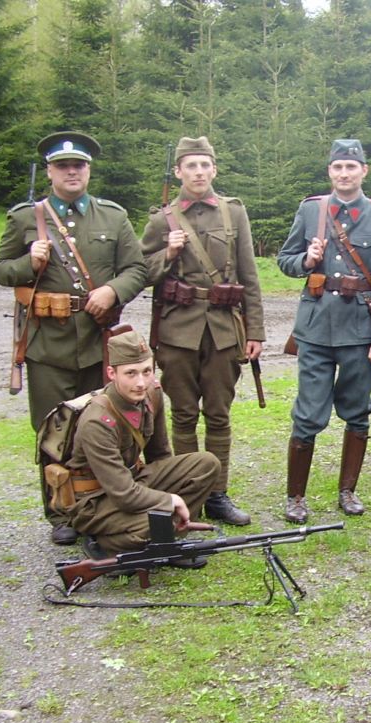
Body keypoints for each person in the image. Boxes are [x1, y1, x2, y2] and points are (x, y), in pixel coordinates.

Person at [0, 131, 146, 545]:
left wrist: (113, 291)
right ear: (49, 171)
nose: (71, 172)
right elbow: (0, 269)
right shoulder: (26, 218)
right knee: (52, 431)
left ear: (88, 170)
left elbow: (137, 268)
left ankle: (100, 508)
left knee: (102, 426)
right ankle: (60, 513)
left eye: (78, 165)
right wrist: (29, 262)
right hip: (48, 344)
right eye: (62, 166)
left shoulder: (113, 217)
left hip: (98, 342)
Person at [140, 136, 265, 527]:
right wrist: (168, 253)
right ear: (178, 171)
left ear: (214, 169)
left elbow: (249, 275)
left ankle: (217, 495)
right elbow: (141, 272)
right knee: (182, 415)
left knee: (219, 415)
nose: (198, 172)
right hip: (178, 331)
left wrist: (255, 332)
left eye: (204, 165)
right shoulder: (161, 220)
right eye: (190, 166)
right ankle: (187, 497)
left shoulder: (234, 212)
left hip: (224, 329)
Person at [276, 139, 371, 523]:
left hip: (361, 331)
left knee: (357, 411)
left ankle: (348, 491)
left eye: (351, 167)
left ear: (364, 171)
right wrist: (307, 259)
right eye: (338, 167)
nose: (344, 174)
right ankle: (295, 497)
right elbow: (285, 260)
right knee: (308, 413)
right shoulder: (311, 210)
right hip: (315, 328)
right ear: (329, 171)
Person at [61, 330, 219, 562]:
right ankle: (105, 542)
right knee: (160, 522)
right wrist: (170, 501)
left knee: (207, 464)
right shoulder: (97, 421)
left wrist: (168, 492)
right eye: (130, 373)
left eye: (147, 371)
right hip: (97, 500)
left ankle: (169, 539)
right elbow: (123, 494)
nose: (141, 382)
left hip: (133, 481)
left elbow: (159, 455)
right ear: (112, 373)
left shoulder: (152, 393)